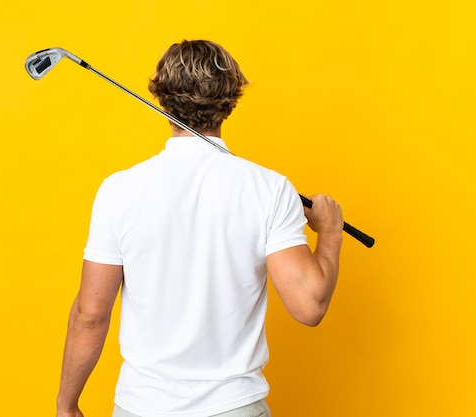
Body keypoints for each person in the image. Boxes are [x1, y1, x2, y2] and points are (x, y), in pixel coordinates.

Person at [56, 40, 343, 417]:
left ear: (161, 96)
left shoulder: (119, 190)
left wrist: (66, 404)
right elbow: (310, 305)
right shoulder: (269, 189)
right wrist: (331, 233)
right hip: (235, 408)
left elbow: (90, 315)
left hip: (143, 407)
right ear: (231, 98)